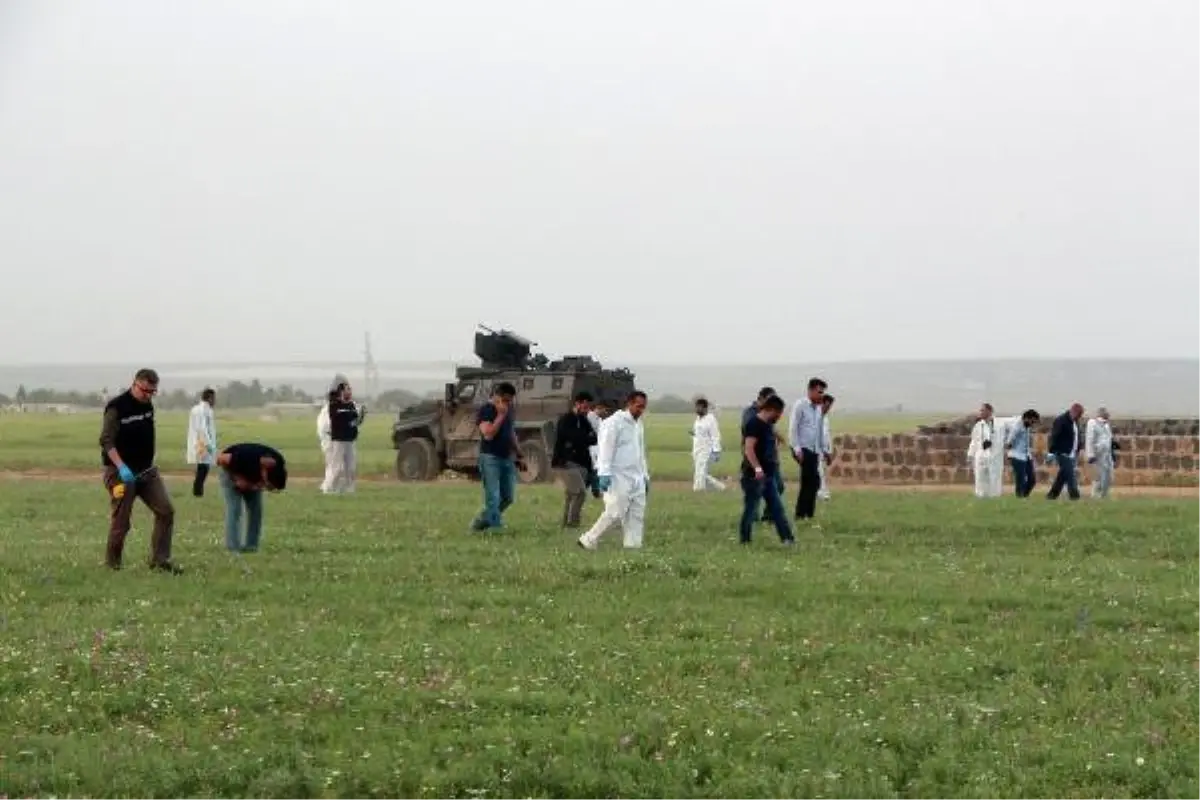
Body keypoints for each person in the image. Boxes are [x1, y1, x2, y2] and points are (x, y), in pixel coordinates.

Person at [97, 368, 181, 573]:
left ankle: (160, 561)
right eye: (144, 391)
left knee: (166, 511)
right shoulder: (116, 407)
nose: (148, 396)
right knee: (122, 520)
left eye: (152, 392)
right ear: (134, 384)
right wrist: (121, 466)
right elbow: (106, 441)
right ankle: (112, 565)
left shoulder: (148, 406)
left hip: (147, 470)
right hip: (121, 472)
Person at [578, 391, 651, 551]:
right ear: (629, 404)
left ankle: (633, 546)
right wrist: (603, 474)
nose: (641, 410)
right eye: (638, 407)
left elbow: (640, 452)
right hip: (618, 476)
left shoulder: (638, 424)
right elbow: (605, 450)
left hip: (636, 476)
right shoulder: (613, 423)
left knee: (636, 513)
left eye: (644, 407)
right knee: (615, 512)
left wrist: (645, 476)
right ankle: (588, 539)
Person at [739, 394, 796, 545]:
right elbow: (749, 449)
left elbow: (768, 444)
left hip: (768, 475)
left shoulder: (768, 425)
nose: (779, 416)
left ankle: (788, 539)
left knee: (777, 508)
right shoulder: (753, 424)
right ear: (770, 409)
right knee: (751, 509)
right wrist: (757, 468)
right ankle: (745, 540)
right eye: (778, 413)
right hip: (753, 476)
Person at [216, 442, 288, 553]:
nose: (266, 488)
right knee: (235, 509)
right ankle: (233, 546)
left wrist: (255, 485)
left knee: (256, 510)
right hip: (230, 471)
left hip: (252, 476)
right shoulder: (245, 458)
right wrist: (237, 479)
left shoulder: (278, 464)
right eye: (268, 486)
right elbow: (220, 459)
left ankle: (252, 546)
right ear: (265, 473)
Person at [471, 382, 524, 532]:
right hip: (490, 458)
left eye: (510, 401)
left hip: (506, 457)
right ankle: (495, 528)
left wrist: (519, 453)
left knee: (508, 497)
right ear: (496, 396)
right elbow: (488, 434)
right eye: (505, 400)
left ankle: (481, 521)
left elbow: (510, 432)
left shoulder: (508, 410)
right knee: (493, 495)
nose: (507, 404)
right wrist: (500, 415)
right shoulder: (486, 410)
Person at [551, 391, 597, 528]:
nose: (587, 409)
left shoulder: (583, 420)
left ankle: (565, 523)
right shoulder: (566, 419)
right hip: (566, 462)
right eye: (584, 406)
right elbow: (574, 437)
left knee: (571, 493)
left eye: (588, 407)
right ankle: (573, 523)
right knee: (580, 493)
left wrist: (582, 438)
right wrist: (583, 438)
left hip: (582, 463)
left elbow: (594, 438)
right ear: (577, 403)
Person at [789, 377, 828, 521]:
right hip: (802, 448)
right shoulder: (800, 405)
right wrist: (796, 448)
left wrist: (823, 449)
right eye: (819, 392)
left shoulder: (818, 409)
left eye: (823, 392)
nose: (821, 395)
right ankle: (801, 514)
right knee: (810, 480)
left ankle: (807, 513)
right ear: (810, 390)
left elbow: (818, 430)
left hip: (814, 449)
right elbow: (793, 428)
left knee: (813, 482)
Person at [744, 386, 785, 521]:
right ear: (761, 399)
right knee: (756, 490)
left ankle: (768, 516)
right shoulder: (750, 414)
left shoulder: (769, 415)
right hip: (756, 458)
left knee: (778, 486)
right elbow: (751, 436)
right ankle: (753, 518)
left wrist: (777, 436)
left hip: (770, 457)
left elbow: (770, 428)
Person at [320, 379, 366, 494]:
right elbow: (337, 419)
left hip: (350, 440)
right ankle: (329, 488)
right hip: (339, 440)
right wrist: (348, 419)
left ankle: (350, 488)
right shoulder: (334, 405)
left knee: (351, 467)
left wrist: (360, 417)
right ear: (341, 392)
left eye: (350, 390)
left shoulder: (351, 405)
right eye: (347, 390)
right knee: (336, 467)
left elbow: (355, 420)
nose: (349, 392)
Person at [1047, 403, 1085, 501]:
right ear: (1073, 412)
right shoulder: (1061, 420)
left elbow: (1077, 436)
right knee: (1071, 476)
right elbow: (1054, 436)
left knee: (1062, 477)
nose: (1078, 418)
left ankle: (1051, 496)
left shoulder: (1075, 422)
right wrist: (1051, 452)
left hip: (1072, 454)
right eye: (1078, 415)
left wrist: (1080, 448)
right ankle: (1075, 497)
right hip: (1062, 453)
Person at [186, 388, 217, 497]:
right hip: (201, 443)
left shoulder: (200, 409)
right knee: (203, 469)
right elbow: (202, 429)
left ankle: (198, 492)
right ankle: (198, 493)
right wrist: (209, 445)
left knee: (203, 468)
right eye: (214, 398)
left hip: (201, 441)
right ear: (209, 398)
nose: (215, 401)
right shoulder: (202, 410)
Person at [966, 403, 1003, 497]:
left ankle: (994, 497)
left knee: (994, 478)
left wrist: (992, 443)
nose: (980, 412)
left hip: (994, 455)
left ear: (989, 411)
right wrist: (970, 455)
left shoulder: (999, 425)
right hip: (980, 455)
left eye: (983, 410)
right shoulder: (978, 425)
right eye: (980, 410)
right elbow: (974, 441)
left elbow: (1002, 439)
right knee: (979, 477)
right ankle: (980, 496)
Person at [690, 397, 725, 491]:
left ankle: (698, 490)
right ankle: (719, 487)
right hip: (696, 449)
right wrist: (694, 434)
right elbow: (698, 432)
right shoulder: (698, 419)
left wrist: (716, 451)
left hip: (706, 450)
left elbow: (715, 435)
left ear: (705, 408)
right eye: (696, 407)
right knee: (700, 472)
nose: (697, 409)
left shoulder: (711, 419)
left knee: (701, 472)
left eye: (699, 407)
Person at [1006, 409, 1041, 498]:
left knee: (1032, 479)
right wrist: (1010, 454)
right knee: (1020, 479)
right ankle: (1020, 497)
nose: (1033, 424)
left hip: (1026, 455)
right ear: (1026, 419)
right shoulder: (1017, 426)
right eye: (1032, 421)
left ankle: (1024, 496)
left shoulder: (1027, 426)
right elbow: (1009, 442)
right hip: (1017, 456)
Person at [1086, 407, 1115, 499]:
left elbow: (1108, 439)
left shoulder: (1106, 425)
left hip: (1107, 454)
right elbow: (1089, 439)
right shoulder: (1092, 423)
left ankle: (1104, 495)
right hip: (1097, 454)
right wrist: (1090, 454)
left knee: (1109, 475)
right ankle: (1095, 495)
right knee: (1099, 475)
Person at [818, 394, 835, 501]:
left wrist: (829, 451)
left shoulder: (826, 419)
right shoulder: (815, 417)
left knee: (821, 471)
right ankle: (821, 493)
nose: (828, 409)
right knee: (818, 472)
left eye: (830, 407)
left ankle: (822, 492)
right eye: (827, 406)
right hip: (814, 450)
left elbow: (827, 436)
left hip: (823, 450)